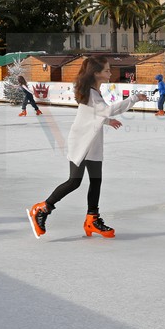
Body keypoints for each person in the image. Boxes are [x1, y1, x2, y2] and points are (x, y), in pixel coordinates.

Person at [27, 56, 148, 238]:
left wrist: (107, 121)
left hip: (92, 142)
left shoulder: (94, 93)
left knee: (96, 180)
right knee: (74, 181)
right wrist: (134, 98)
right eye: (107, 70)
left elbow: (93, 114)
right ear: (96, 73)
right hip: (81, 142)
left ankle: (92, 219)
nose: (110, 73)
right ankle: (42, 209)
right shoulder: (91, 93)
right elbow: (105, 110)